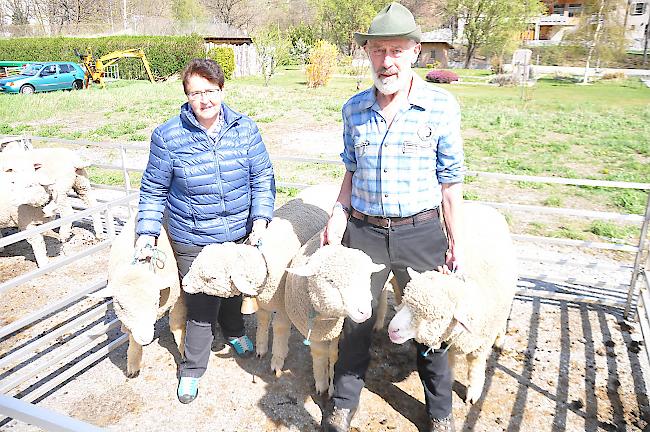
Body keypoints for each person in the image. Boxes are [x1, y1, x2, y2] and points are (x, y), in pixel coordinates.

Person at [320, 3, 465, 432]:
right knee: (356, 321)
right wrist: (337, 215)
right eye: (378, 50)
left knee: (429, 322)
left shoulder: (440, 108)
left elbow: (451, 182)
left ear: (415, 51)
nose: (387, 61)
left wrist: (456, 243)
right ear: (367, 54)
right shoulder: (353, 110)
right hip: (364, 232)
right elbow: (349, 169)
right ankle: (344, 403)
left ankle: (440, 413)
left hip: (420, 233)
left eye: (397, 50)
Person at [135, 58, 275, 404]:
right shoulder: (168, 135)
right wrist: (147, 232)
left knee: (234, 288)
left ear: (222, 90)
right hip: (193, 236)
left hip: (238, 230)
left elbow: (263, 177)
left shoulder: (245, 128)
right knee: (200, 305)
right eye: (195, 93)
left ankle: (234, 331)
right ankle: (193, 369)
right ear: (186, 96)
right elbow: (153, 189)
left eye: (210, 91)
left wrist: (260, 220)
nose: (204, 100)